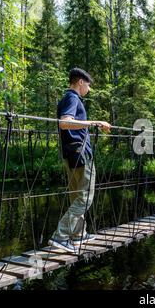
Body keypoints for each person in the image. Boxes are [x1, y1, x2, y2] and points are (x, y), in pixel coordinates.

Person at [48, 68, 112, 253]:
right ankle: (60, 236)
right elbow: (65, 122)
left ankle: (78, 234)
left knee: (77, 196)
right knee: (86, 197)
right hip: (80, 153)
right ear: (81, 82)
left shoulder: (67, 98)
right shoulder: (72, 98)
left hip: (71, 154)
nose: (89, 89)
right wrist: (95, 123)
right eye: (89, 85)